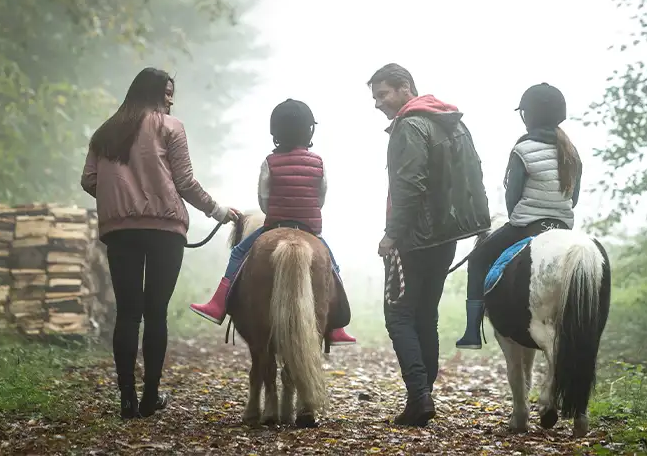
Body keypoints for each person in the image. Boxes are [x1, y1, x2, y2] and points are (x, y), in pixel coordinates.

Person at [81, 67, 242, 421]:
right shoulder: (171, 127)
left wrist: (119, 198)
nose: (171, 99)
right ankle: (151, 395)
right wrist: (216, 210)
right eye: (167, 92)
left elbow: (89, 180)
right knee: (155, 312)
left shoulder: (105, 132)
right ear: (153, 93)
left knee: (127, 312)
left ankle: (126, 399)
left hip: (119, 231)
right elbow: (184, 181)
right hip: (164, 230)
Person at [369, 63, 491, 427]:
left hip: (414, 239)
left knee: (399, 314)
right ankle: (424, 394)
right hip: (446, 236)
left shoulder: (410, 125)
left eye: (382, 94)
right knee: (426, 313)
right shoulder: (452, 121)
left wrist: (392, 234)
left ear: (405, 87)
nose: (377, 104)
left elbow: (409, 184)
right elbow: (475, 173)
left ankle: (418, 396)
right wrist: (480, 223)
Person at [189, 98, 358, 346]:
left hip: (275, 224)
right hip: (310, 228)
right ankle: (336, 325)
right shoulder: (318, 162)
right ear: (309, 130)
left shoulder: (270, 162)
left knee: (238, 254)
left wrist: (276, 213)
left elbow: (263, 199)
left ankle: (217, 305)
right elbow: (320, 197)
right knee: (333, 267)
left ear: (275, 131)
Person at [455, 82, 582, 349]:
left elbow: (512, 200)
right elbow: (575, 198)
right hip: (562, 227)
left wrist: (523, 217)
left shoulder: (522, 150)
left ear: (529, 115)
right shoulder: (572, 152)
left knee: (478, 260)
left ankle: (471, 332)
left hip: (526, 226)